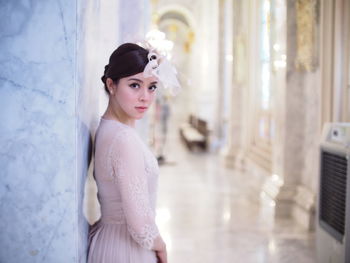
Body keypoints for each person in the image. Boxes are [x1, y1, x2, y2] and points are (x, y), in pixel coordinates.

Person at [87, 43, 179, 263]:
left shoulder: (110, 127)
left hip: (110, 239)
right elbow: (140, 226)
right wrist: (161, 247)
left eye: (152, 87)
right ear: (111, 84)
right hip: (126, 248)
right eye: (135, 85)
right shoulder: (123, 138)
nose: (145, 97)